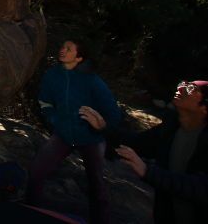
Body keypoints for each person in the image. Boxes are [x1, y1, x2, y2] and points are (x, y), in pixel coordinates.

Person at [80, 79, 208, 223]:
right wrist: (104, 128)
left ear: (205, 108)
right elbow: (138, 143)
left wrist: (149, 172)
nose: (182, 88)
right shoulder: (170, 128)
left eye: (191, 89)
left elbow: (201, 187)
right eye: (183, 84)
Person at [26, 39, 121, 224]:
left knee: (96, 185)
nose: (62, 50)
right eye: (62, 46)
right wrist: (54, 119)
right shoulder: (51, 75)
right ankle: (30, 211)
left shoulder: (92, 81)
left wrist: (102, 126)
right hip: (63, 135)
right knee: (36, 171)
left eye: (68, 49)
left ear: (79, 57)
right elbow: (44, 102)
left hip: (91, 138)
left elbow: (113, 112)